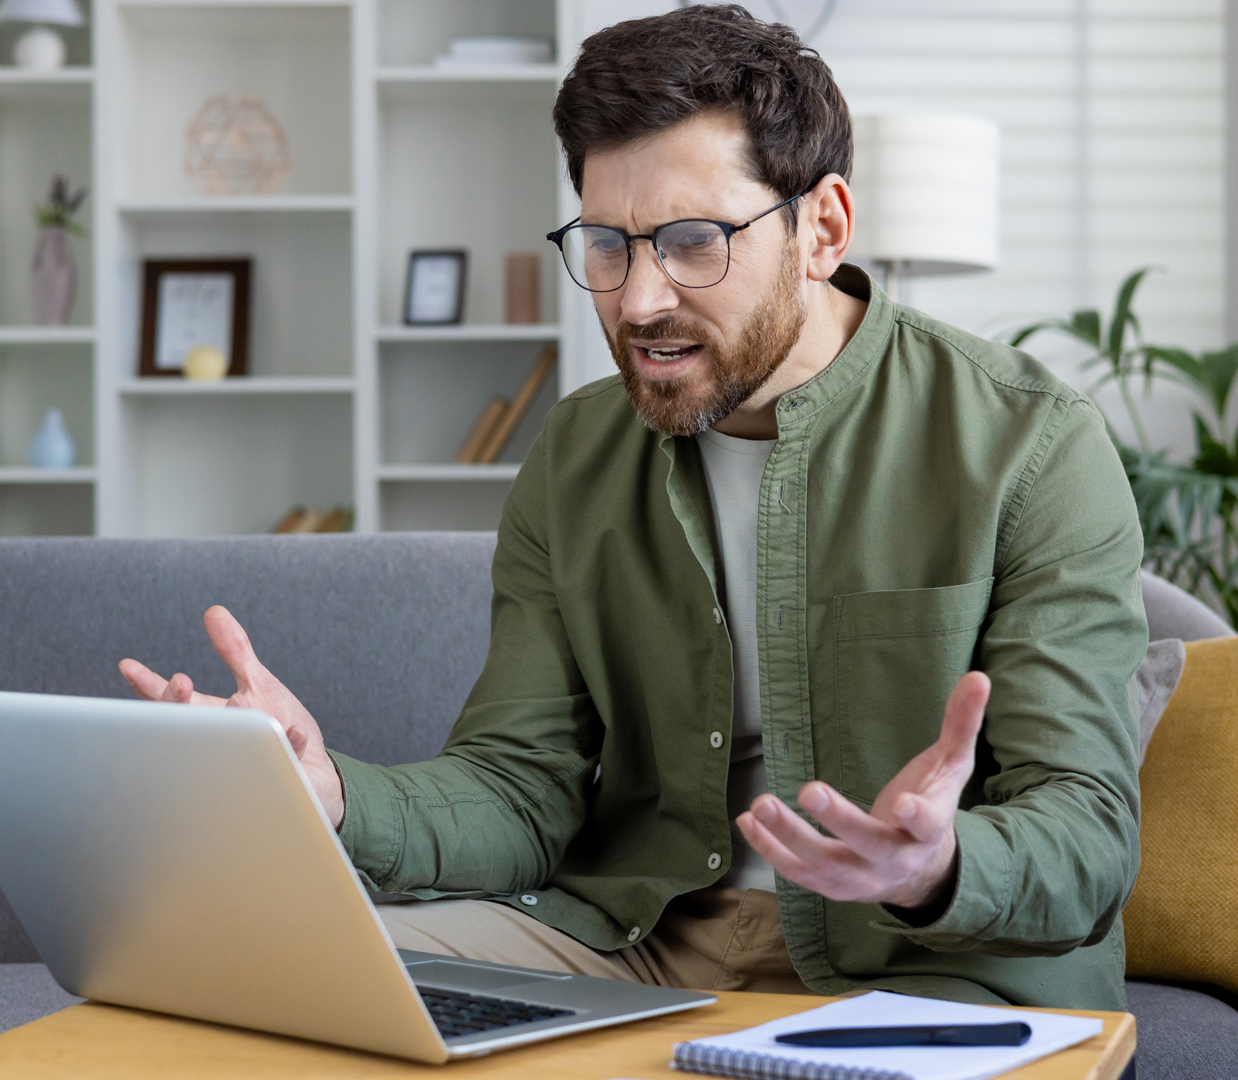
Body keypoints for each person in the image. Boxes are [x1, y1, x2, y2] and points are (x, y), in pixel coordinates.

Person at [119, 4, 1146, 1009]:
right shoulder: (575, 454)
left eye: (695, 241)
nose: (640, 299)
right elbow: (519, 791)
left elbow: (1088, 825)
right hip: (642, 945)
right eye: (608, 244)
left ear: (823, 226)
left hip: (931, 963)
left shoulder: (1030, 444)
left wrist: (939, 862)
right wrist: (332, 797)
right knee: (266, 970)